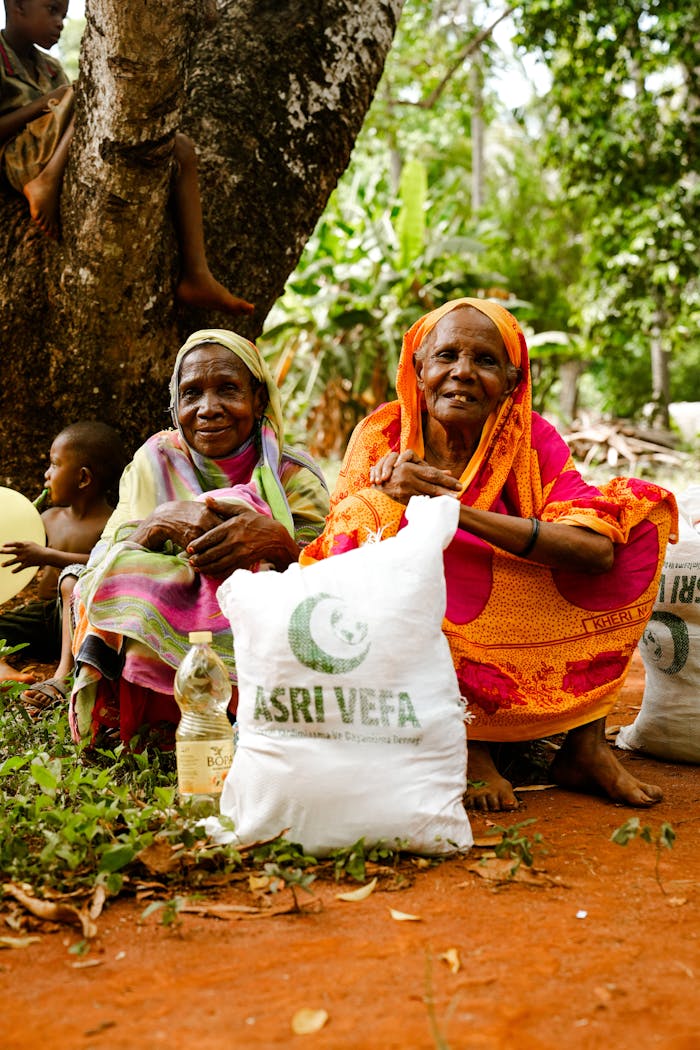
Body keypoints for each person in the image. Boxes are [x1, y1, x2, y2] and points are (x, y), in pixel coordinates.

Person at [300, 297, 678, 811]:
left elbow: (594, 551)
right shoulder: (382, 435)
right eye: (446, 356)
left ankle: (584, 746)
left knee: (637, 521)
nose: (462, 373)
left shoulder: (532, 439)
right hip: (423, 618)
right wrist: (406, 507)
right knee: (375, 513)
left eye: (484, 361)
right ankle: (466, 742)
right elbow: (342, 548)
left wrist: (447, 508)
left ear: (512, 380)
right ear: (418, 367)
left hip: (512, 599)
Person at [69, 328, 330, 747]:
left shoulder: (292, 475)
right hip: (164, 634)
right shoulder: (155, 460)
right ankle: (146, 717)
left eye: (228, 389)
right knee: (121, 570)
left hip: (263, 656)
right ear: (176, 405)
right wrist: (158, 523)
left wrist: (279, 543)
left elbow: (336, 573)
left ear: (258, 398)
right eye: (192, 394)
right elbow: (104, 557)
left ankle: (253, 720)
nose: (209, 409)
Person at [0, 0, 254, 317]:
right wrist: (45, 103)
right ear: (17, 6)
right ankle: (46, 182)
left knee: (183, 149)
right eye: (51, 10)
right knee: (92, 87)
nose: (60, 23)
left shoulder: (50, 68)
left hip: (55, 149)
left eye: (64, 15)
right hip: (21, 159)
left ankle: (197, 274)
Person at [0, 420, 127, 709]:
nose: (46, 475)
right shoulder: (48, 519)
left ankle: (65, 672)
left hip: (76, 618)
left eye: (54, 465)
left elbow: (106, 563)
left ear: (82, 478)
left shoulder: (110, 525)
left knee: (74, 579)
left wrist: (46, 556)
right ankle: (3, 669)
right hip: (43, 615)